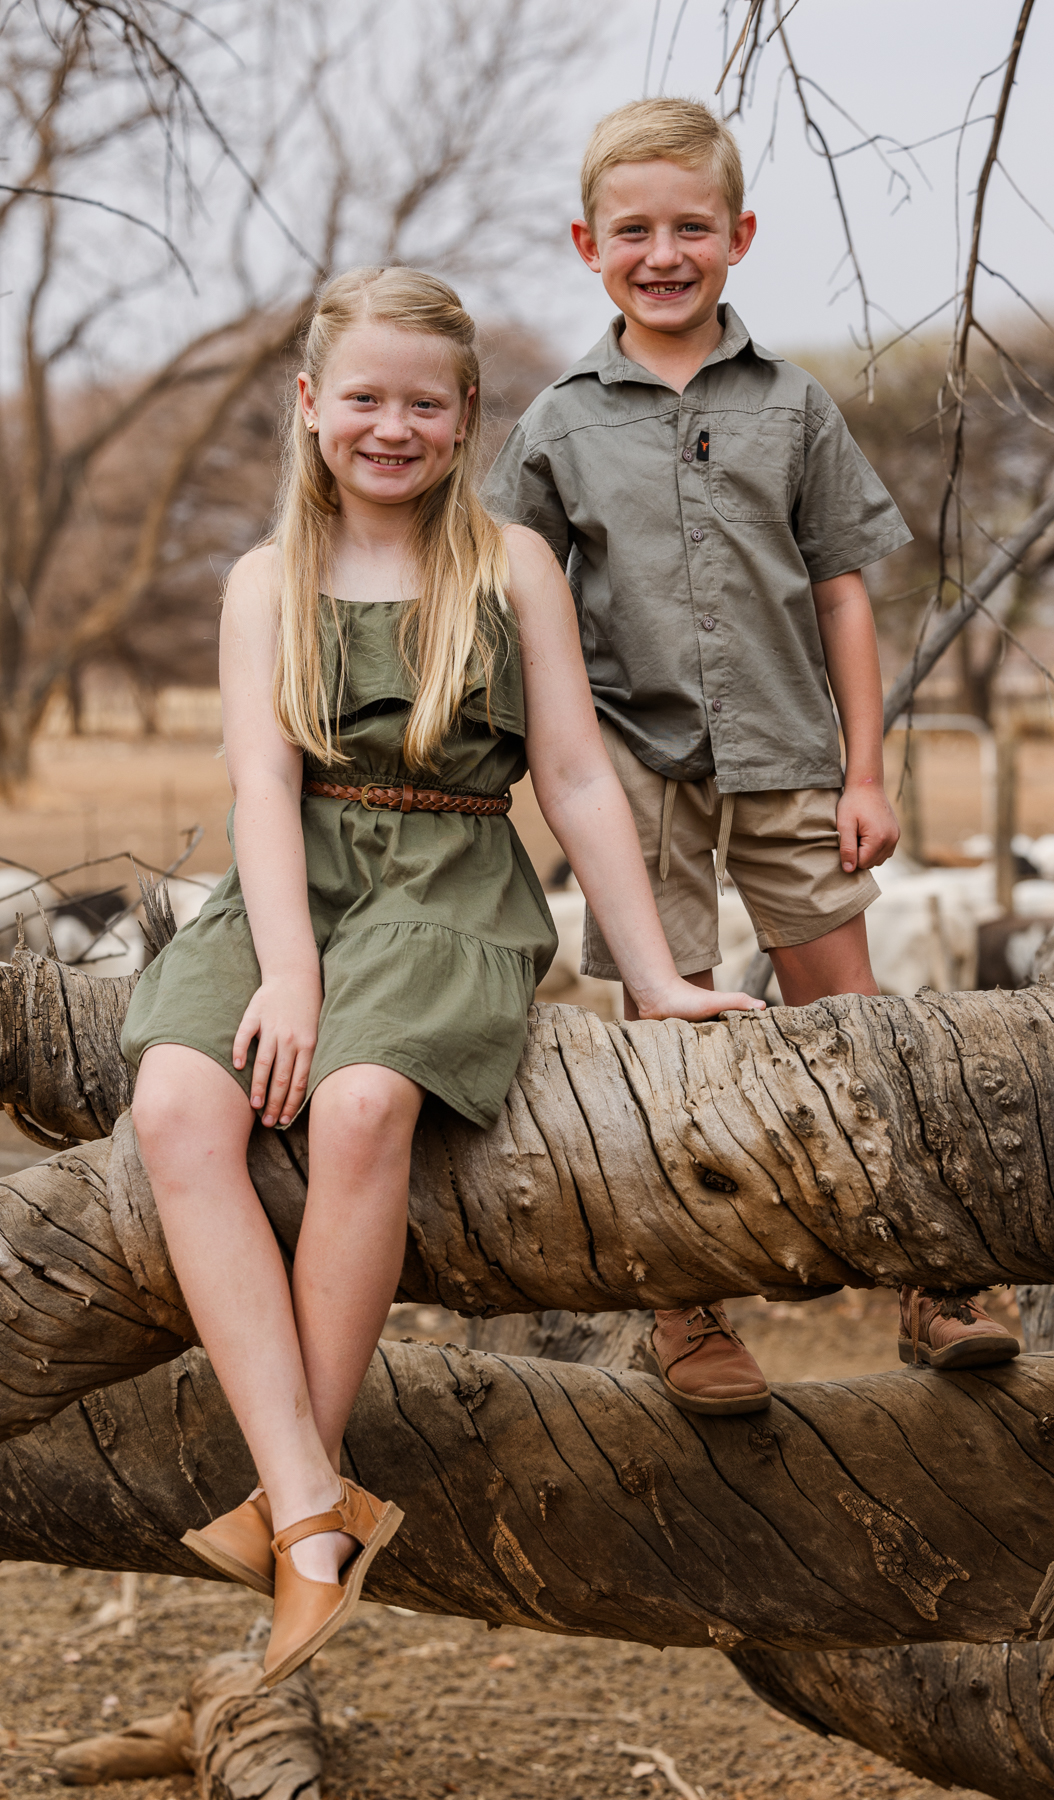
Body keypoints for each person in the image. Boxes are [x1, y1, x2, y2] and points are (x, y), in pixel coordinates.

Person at [121, 265, 766, 1688]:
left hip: (447, 880)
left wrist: (650, 975)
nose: (391, 427)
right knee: (177, 1107)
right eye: (362, 398)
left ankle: (299, 1512)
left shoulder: (508, 565)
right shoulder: (260, 583)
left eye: (424, 402)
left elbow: (580, 779)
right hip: (289, 880)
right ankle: (308, 1496)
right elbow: (259, 789)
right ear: (309, 408)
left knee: (356, 1109)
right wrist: (282, 971)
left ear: (468, 414)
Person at [483, 98, 1021, 1384]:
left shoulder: (796, 407)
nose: (661, 252)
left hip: (790, 756)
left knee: (854, 1015)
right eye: (632, 230)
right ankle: (688, 1305)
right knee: (665, 1035)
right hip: (631, 774)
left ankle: (933, 1280)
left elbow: (841, 589)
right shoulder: (556, 425)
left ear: (739, 236)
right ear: (585, 242)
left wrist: (870, 770)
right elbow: (519, 600)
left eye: (690, 227)